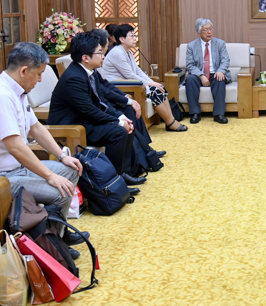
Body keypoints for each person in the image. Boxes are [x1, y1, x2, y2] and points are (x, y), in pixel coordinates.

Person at [0, 42, 89, 255]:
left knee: (70, 170)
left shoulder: (17, 92)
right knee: (60, 191)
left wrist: (62, 156)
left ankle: (58, 234)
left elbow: (36, 128)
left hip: (17, 169)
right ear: (24, 71)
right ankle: (53, 246)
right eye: (39, 73)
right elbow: (15, 146)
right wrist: (49, 176)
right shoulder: (1, 96)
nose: (40, 80)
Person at [48, 31, 146, 189]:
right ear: (85, 58)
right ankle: (112, 181)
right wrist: (117, 122)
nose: (103, 56)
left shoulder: (89, 71)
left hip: (85, 120)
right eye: (100, 53)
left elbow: (102, 101)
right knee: (118, 132)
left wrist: (120, 117)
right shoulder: (74, 78)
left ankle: (123, 173)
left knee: (126, 124)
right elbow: (89, 110)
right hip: (72, 126)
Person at [90, 28, 167, 170]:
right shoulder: (115, 54)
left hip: (119, 90)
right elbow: (123, 79)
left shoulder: (94, 69)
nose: (104, 55)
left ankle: (145, 150)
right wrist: (127, 102)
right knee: (131, 108)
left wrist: (128, 97)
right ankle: (138, 157)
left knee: (133, 106)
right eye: (101, 50)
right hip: (121, 87)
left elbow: (106, 85)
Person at [100, 23, 188, 133]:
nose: (135, 38)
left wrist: (152, 82)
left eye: (135, 35)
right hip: (118, 86)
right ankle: (171, 123)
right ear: (122, 39)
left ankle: (171, 120)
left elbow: (137, 71)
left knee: (159, 88)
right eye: (132, 36)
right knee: (155, 91)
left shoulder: (128, 51)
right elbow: (129, 75)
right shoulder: (117, 52)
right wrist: (150, 84)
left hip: (129, 82)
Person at [184, 18, 230, 124]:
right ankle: (195, 113)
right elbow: (190, 65)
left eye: (211, 29)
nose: (209, 32)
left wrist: (220, 71)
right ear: (199, 32)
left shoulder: (220, 43)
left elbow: (225, 60)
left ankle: (219, 114)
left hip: (215, 73)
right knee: (190, 79)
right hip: (198, 74)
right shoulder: (191, 46)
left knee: (220, 79)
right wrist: (201, 75)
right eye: (206, 30)